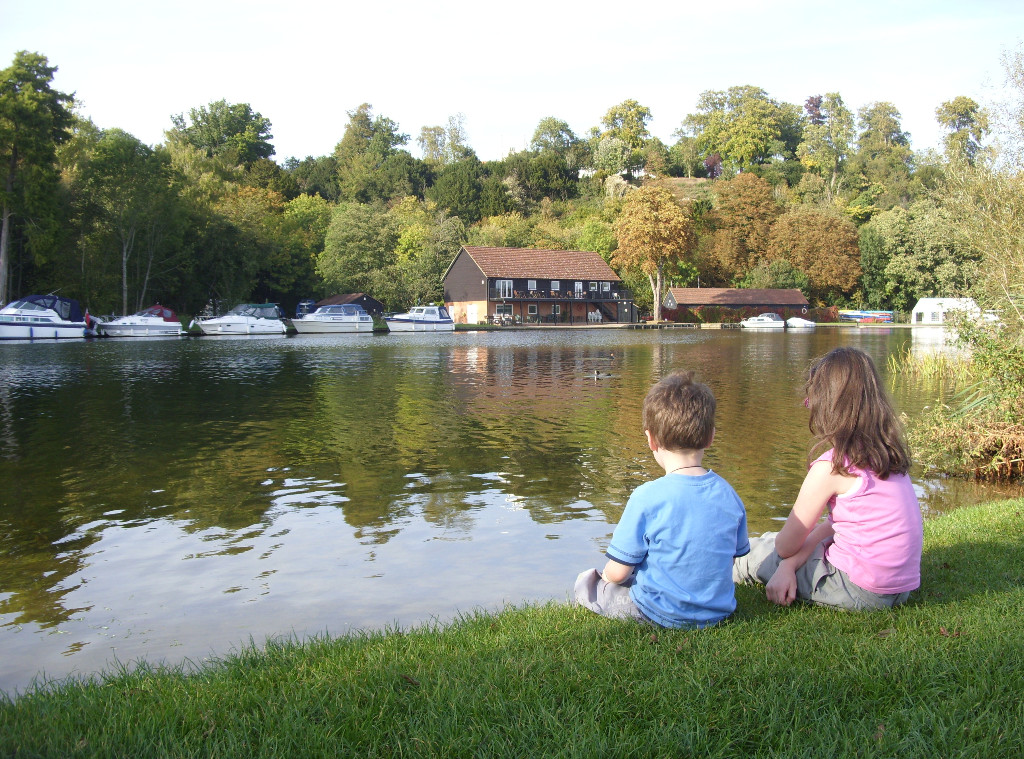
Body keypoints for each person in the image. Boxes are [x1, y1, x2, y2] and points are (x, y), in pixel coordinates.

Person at [733, 347, 923, 610]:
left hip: (858, 589)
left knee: (759, 554)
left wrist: (786, 562)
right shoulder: (887, 457)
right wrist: (791, 562)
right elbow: (834, 525)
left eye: (810, 400)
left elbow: (786, 546)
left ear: (826, 405)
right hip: (900, 590)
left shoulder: (832, 466)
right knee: (773, 543)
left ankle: (710, 576)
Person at [574, 370, 750, 628]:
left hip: (660, 613)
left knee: (588, 582)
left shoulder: (647, 496)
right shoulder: (728, 494)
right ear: (711, 437)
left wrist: (608, 576)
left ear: (651, 440)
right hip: (718, 611)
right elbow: (730, 557)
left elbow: (618, 572)